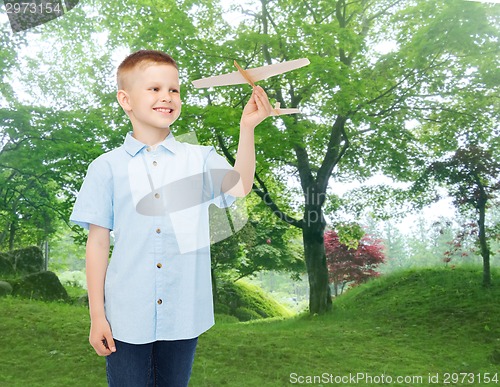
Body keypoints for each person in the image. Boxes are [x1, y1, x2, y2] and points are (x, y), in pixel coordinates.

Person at [70, 50, 272, 386]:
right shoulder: (106, 167)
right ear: (126, 99)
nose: (167, 97)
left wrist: (247, 128)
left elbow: (240, 187)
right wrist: (97, 315)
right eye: (154, 89)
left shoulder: (200, 158)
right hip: (125, 315)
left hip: (183, 314)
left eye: (174, 90)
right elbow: (98, 241)